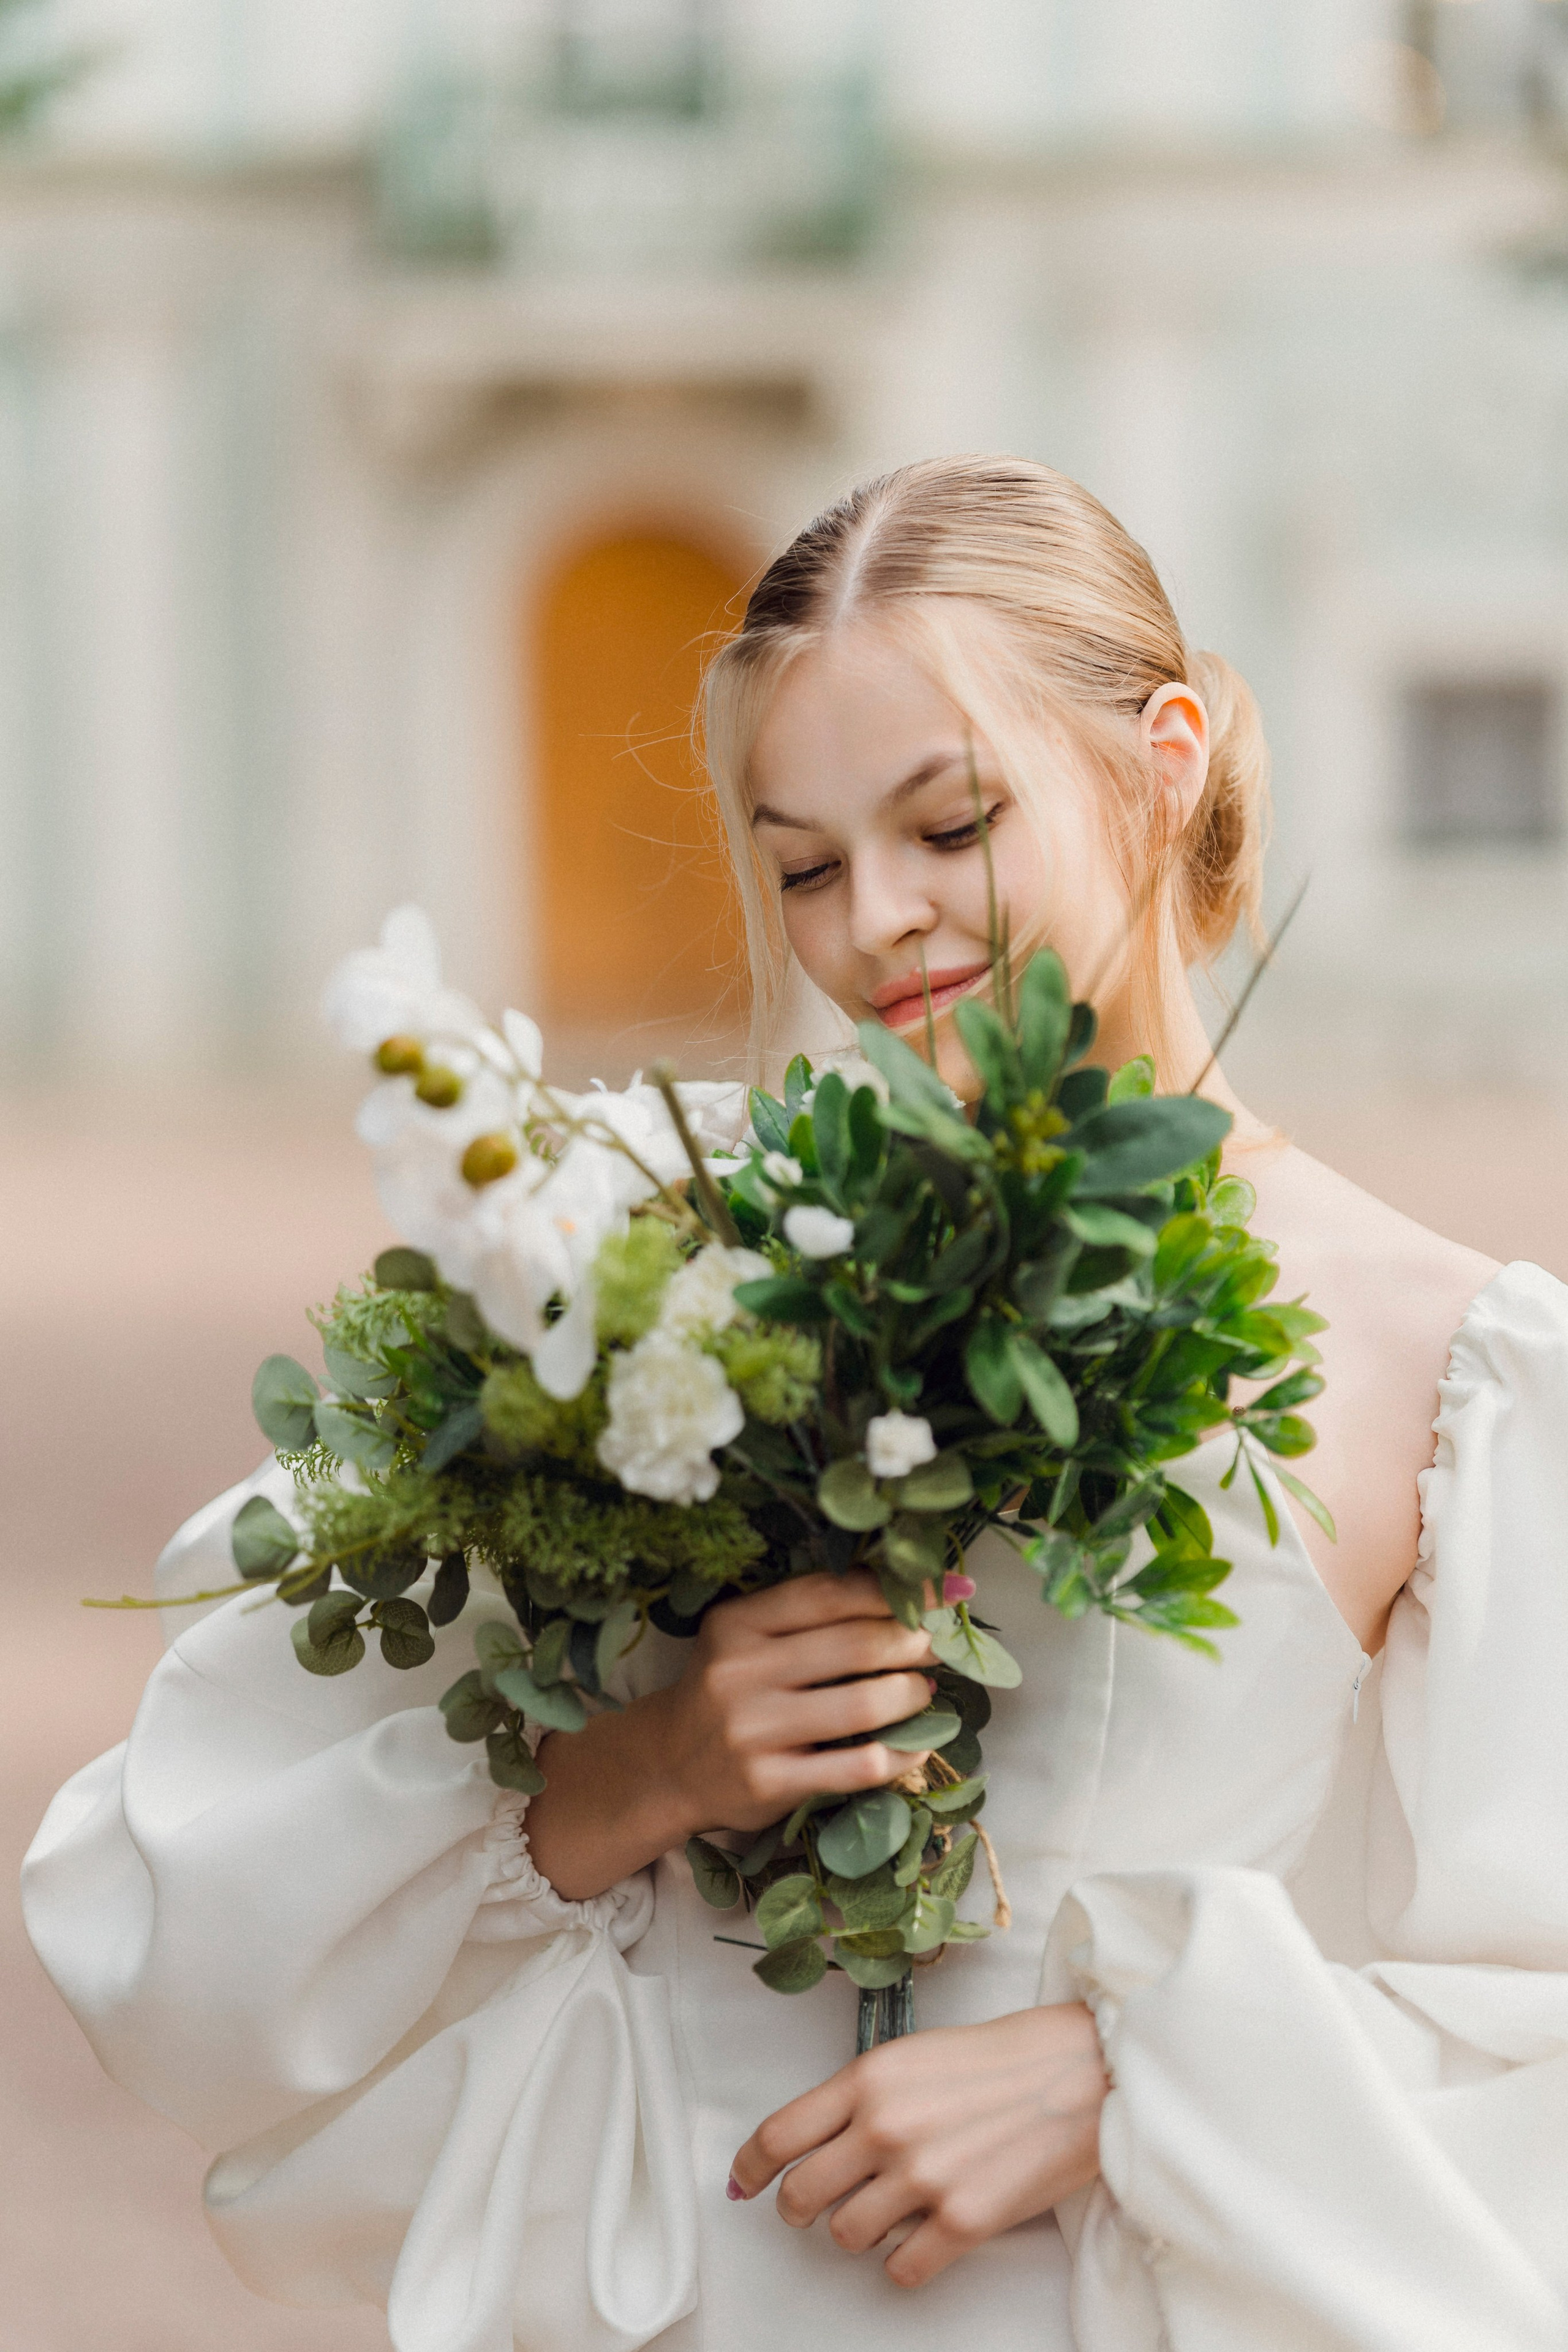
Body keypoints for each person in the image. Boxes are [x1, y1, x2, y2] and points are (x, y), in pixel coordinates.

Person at [23, 456, 1568, 2352]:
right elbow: (175, 1878)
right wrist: (643, 1769)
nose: (880, 925)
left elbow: (1533, 2023)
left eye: (952, 823)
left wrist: (1138, 2073)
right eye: (810, 866)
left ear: (1163, 763)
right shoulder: (638, 1255)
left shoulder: (1450, 1365)